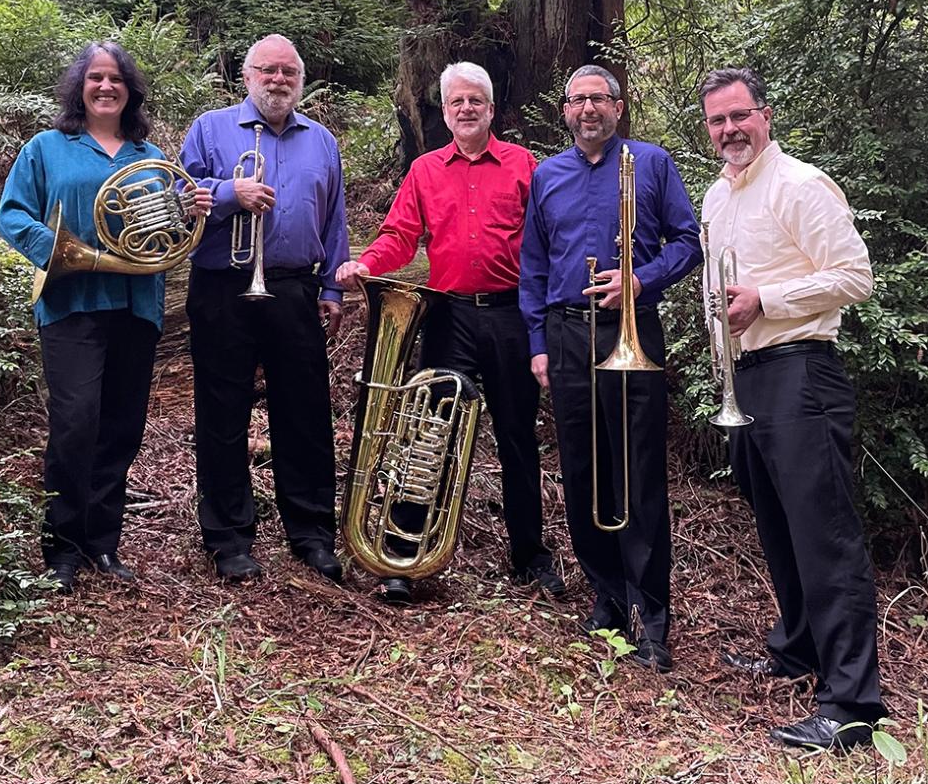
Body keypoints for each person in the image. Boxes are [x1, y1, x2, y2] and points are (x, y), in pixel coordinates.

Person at [699, 67, 885, 748]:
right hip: (748, 377)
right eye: (718, 121)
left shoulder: (802, 185)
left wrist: (765, 302)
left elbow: (854, 276)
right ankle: (799, 649)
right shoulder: (717, 197)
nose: (730, 130)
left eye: (739, 116)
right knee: (778, 523)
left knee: (825, 535)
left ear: (765, 115)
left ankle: (852, 704)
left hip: (802, 372)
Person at [336, 61, 561, 604]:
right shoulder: (424, 170)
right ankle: (404, 559)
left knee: (516, 438)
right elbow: (399, 235)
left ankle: (529, 557)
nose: (466, 109)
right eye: (456, 102)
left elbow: (550, 242)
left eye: (475, 101)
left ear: (490, 109)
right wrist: (367, 264)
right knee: (427, 435)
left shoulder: (525, 165)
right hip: (447, 315)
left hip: (512, 314)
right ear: (444, 110)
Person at [0, 41, 212, 594]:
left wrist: (188, 211)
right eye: (95, 78)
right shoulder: (48, 147)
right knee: (75, 424)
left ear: (129, 90)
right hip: (70, 304)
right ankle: (63, 547)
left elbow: (165, 233)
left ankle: (103, 544)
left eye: (116, 79)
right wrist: (59, 250)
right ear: (80, 86)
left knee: (121, 426)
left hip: (136, 307)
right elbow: (12, 215)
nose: (106, 87)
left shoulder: (150, 155)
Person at [519, 65, 702, 672]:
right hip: (568, 334)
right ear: (565, 110)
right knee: (581, 467)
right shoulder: (546, 175)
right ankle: (608, 594)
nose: (588, 108)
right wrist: (538, 342)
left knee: (638, 470)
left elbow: (687, 240)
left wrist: (640, 278)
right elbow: (535, 266)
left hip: (631, 329)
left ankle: (651, 613)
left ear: (618, 108)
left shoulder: (650, 163)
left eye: (600, 98)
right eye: (578, 100)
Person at [179, 34, 349, 584]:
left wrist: (331, 288)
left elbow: (334, 219)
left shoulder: (322, 140)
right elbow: (179, 198)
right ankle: (228, 538)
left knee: (304, 412)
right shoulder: (210, 128)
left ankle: (312, 533)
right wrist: (231, 194)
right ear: (247, 75)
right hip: (222, 287)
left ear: (301, 81)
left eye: (288, 72)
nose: (278, 80)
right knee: (222, 414)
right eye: (267, 70)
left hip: (296, 289)